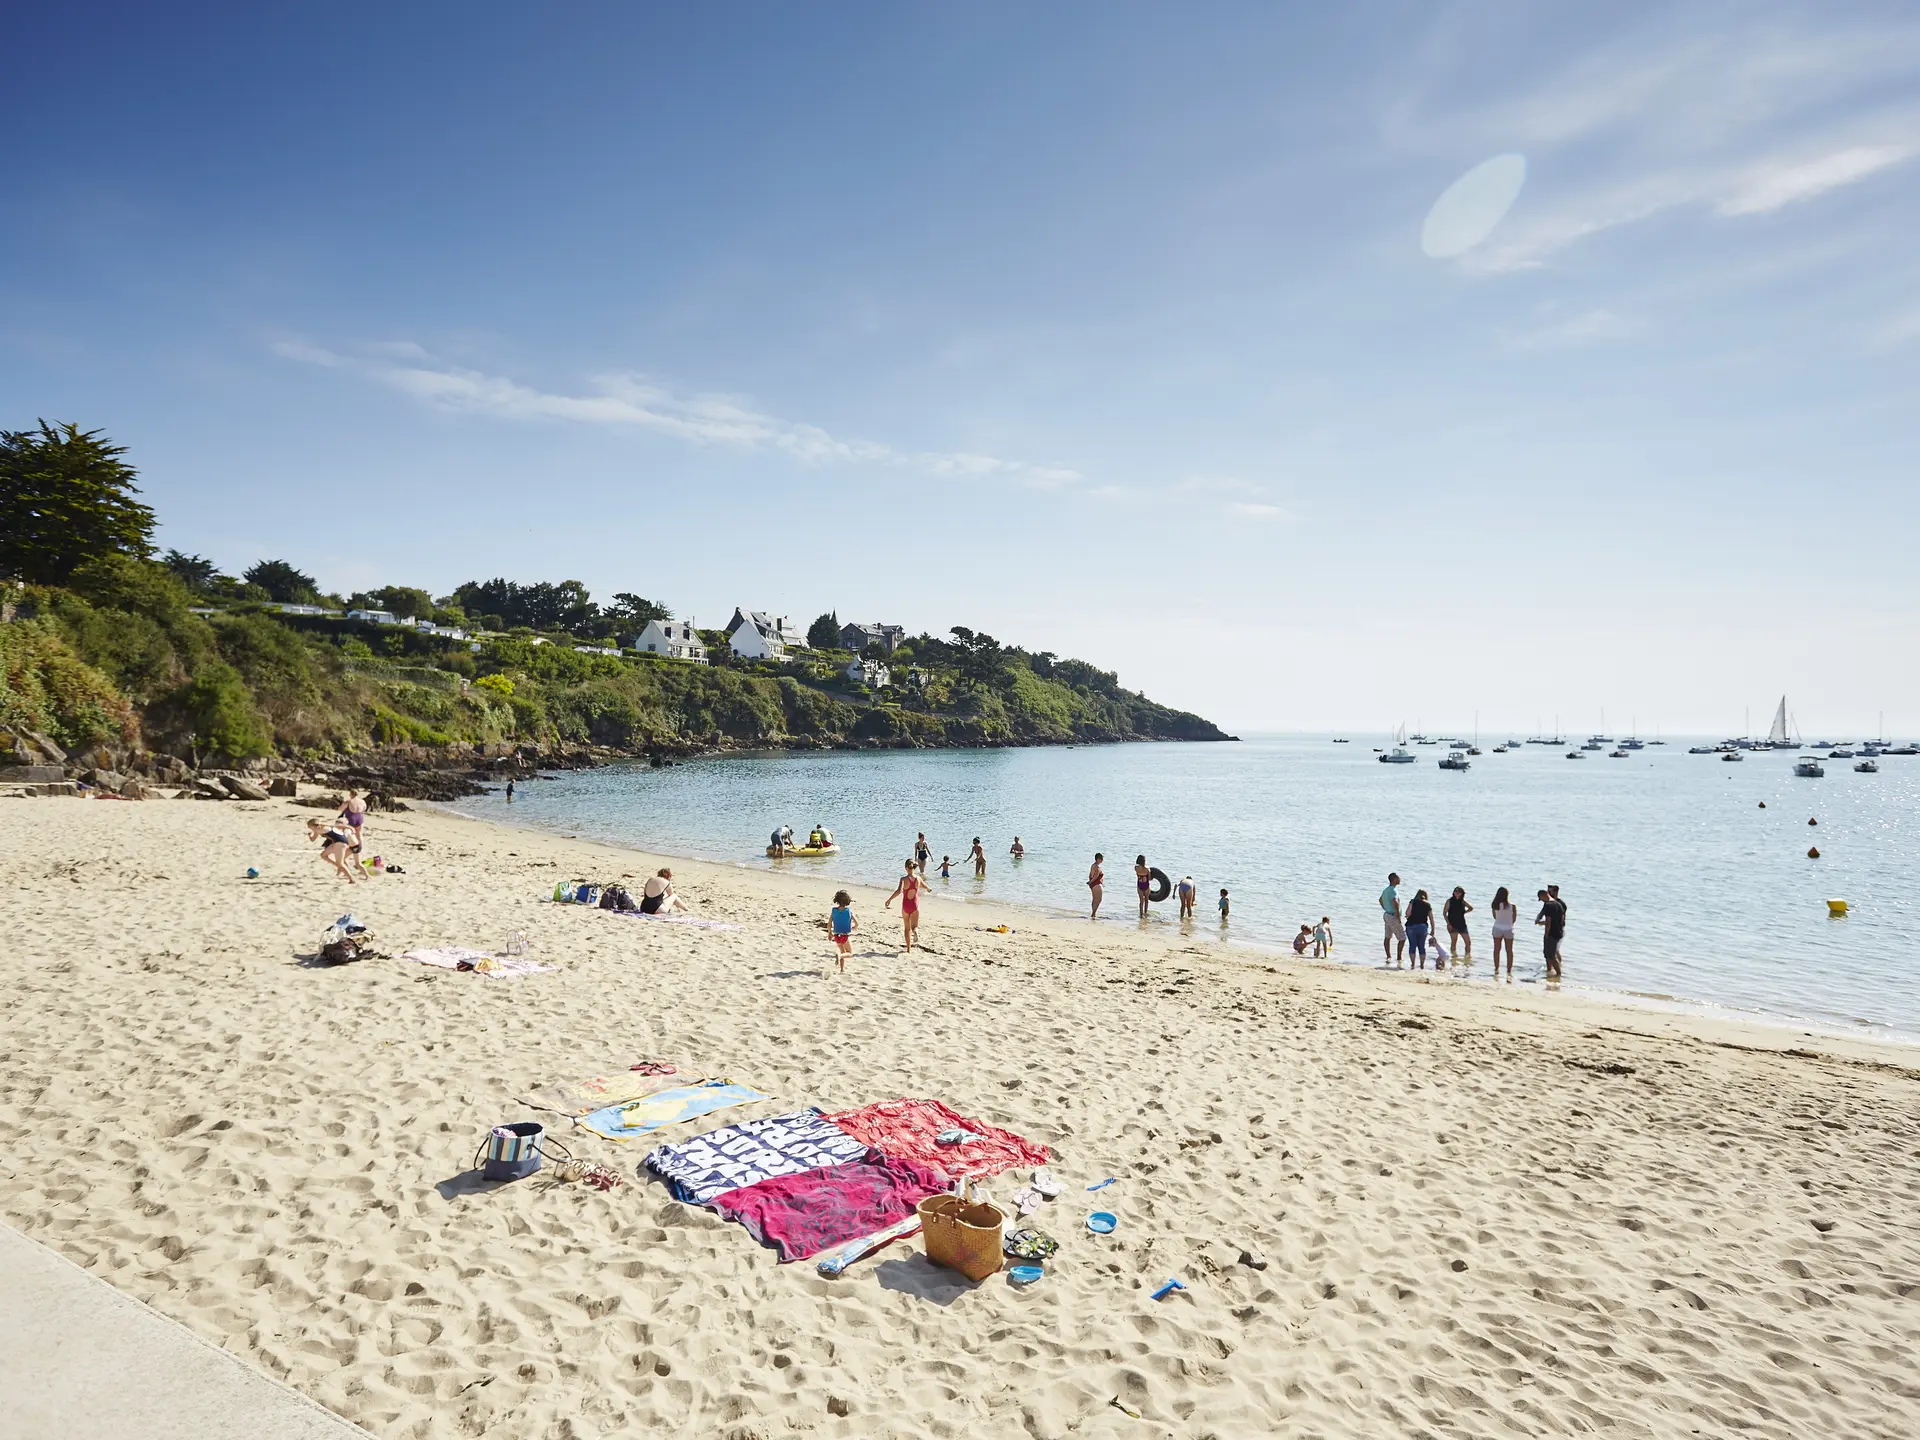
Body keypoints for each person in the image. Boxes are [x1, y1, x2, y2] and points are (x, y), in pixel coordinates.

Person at [886, 858, 927, 950]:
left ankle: (908, 949)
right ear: (914, 868)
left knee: (907, 928)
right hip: (915, 905)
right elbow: (924, 885)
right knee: (915, 926)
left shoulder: (903, 879)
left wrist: (889, 899)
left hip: (906, 906)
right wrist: (928, 889)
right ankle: (915, 932)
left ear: (906, 868)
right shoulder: (918, 878)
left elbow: (899, 891)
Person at [306, 817, 357, 883]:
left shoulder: (318, 829)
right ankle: (338, 866)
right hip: (337, 842)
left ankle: (351, 879)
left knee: (340, 863)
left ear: (313, 826)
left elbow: (339, 825)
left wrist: (351, 828)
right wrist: (310, 836)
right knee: (323, 855)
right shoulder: (322, 827)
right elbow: (312, 839)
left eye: (309, 827)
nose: (309, 829)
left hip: (341, 843)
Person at [1536, 886, 1566, 980]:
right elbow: (1561, 920)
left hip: (1552, 933)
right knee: (1549, 953)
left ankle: (1558, 974)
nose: (1541, 901)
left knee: (1551, 955)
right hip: (1558, 932)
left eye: (1540, 899)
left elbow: (1548, 922)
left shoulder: (1549, 905)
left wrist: (1546, 934)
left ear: (1543, 896)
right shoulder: (1559, 904)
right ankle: (1551, 972)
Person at [1489, 886, 1517, 979]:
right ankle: (1509, 970)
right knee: (1509, 951)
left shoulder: (1495, 905)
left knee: (1497, 950)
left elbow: (1495, 917)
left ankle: (1496, 969)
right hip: (1509, 929)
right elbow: (1514, 919)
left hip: (1497, 928)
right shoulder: (1512, 906)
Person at [829, 890, 858, 974]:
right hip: (844, 936)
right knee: (849, 953)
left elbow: (829, 924)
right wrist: (853, 927)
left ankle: (842, 969)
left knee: (842, 951)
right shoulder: (848, 911)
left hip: (836, 935)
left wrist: (829, 933)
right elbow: (857, 923)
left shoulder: (834, 910)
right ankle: (840, 956)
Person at [1380, 872, 1406, 967]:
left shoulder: (1386, 890)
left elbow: (1380, 900)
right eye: (1398, 878)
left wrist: (1386, 908)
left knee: (1388, 936)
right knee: (1402, 938)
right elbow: (1395, 902)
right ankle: (1399, 957)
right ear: (1394, 879)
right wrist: (1398, 916)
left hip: (1387, 914)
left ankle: (1388, 956)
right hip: (1392, 915)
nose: (1400, 879)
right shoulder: (1393, 890)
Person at [1405, 888, 1434, 969]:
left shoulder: (1413, 901)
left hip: (1411, 926)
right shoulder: (1427, 905)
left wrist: (1408, 916)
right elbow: (1431, 918)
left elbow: (1407, 913)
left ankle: (1413, 964)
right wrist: (1433, 930)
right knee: (1421, 946)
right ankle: (1421, 965)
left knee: (1412, 945)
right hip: (1423, 927)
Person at [1444, 886, 1473, 963]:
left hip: (1462, 924)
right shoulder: (1450, 901)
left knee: (1468, 942)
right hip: (1452, 924)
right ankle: (1454, 959)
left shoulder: (1462, 902)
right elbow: (1444, 913)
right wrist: (1448, 923)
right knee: (1454, 942)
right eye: (1455, 891)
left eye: (1459, 892)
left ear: (1461, 893)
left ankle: (1467, 958)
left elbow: (1471, 908)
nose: (1457, 893)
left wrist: (1464, 912)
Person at [338, 790, 368, 856]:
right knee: (359, 834)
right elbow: (364, 808)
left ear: (351, 794)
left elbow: (340, 809)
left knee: (347, 833)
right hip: (359, 817)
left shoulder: (348, 801)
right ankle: (360, 847)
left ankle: (347, 846)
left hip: (350, 817)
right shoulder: (362, 801)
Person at [1088, 852, 1105, 919]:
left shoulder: (1093, 865)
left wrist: (1090, 882)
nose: (1102, 860)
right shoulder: (1097, 867)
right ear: (1098, 859)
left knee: (1094, 899)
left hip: (1093, 884)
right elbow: (1096, 876)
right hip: (1096, 884)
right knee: (1099, 899)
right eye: (1101, 859)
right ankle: (1093, 913)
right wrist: (1090, 882)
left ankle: (1093, 913)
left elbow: (1090, 875)